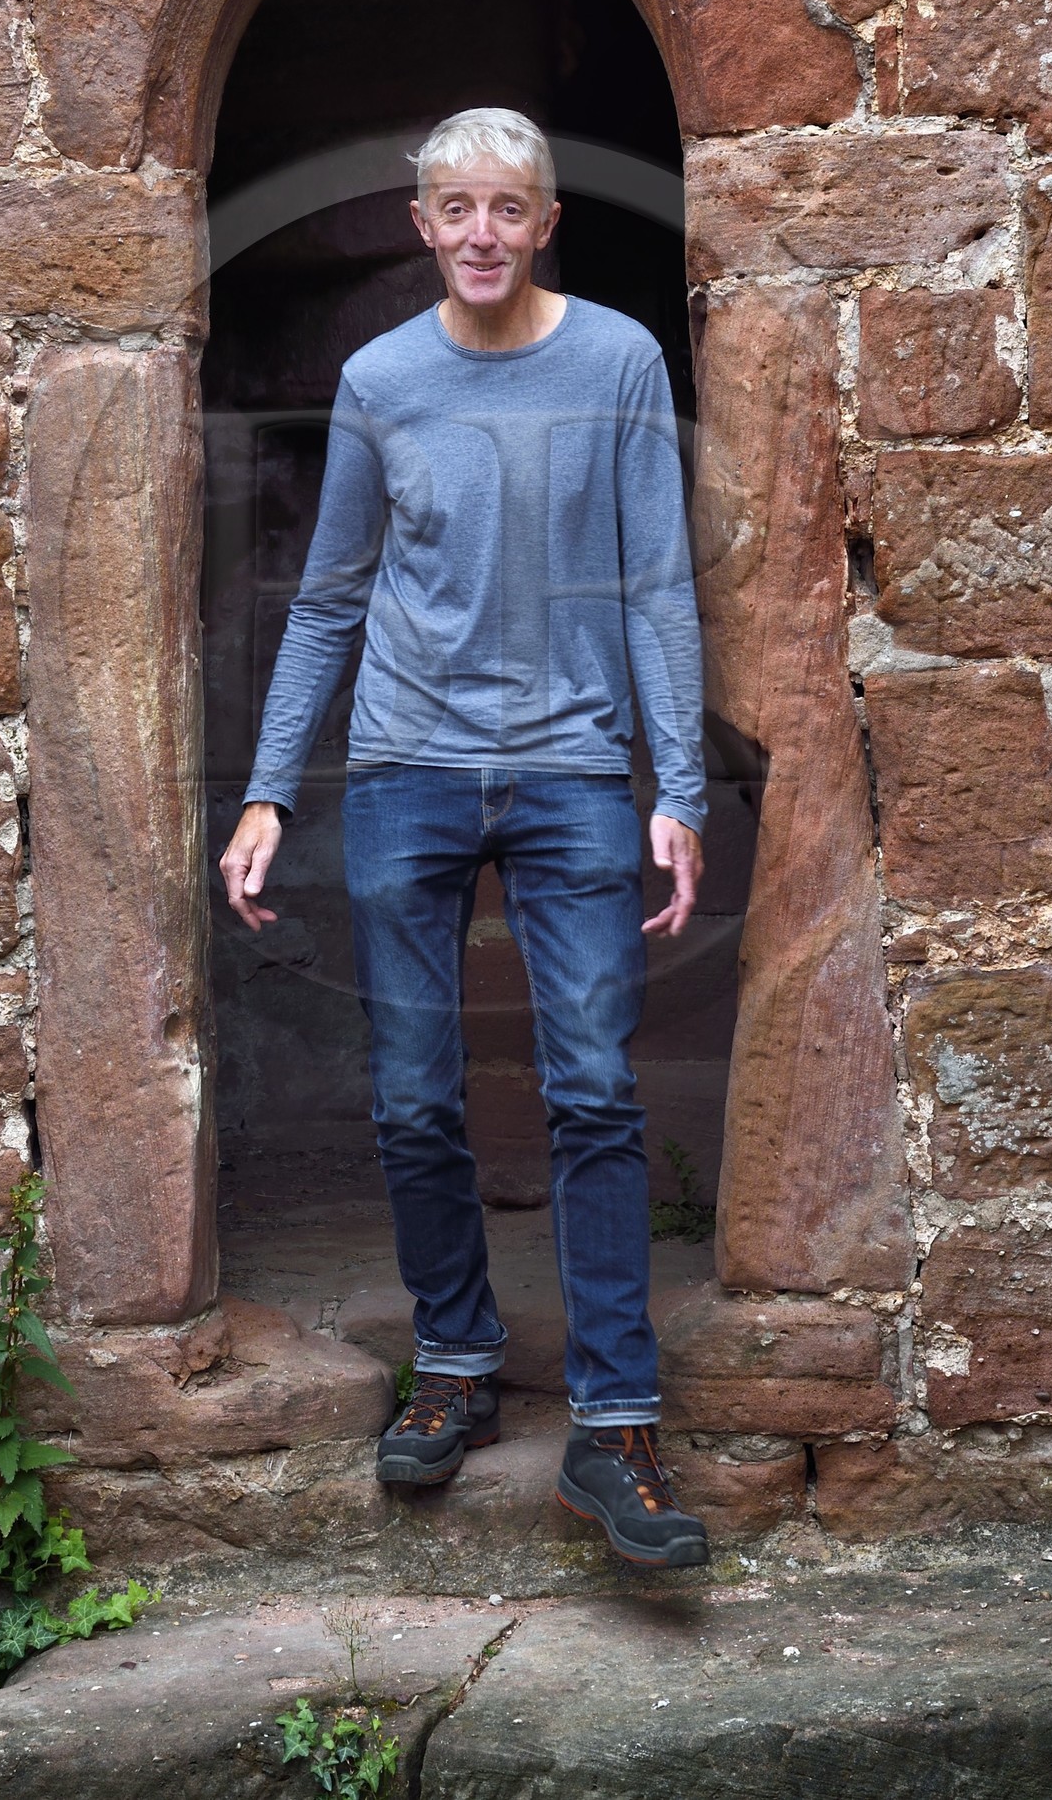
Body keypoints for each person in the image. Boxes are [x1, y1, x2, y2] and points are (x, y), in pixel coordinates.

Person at [218, 106, 710, 1569]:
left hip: (569, 770)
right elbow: (329, 596)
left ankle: (617, 1423)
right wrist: (268, 789)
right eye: (456, 208)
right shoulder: (382, 380)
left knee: (594, 1094)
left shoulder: (617, 358)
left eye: (509, 206)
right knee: (418, 1097)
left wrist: (673, 786)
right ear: (421, 226)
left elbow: (657, 588)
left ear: (545, 220)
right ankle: (457, 1364)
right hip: (408, 767)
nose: (483, 231)